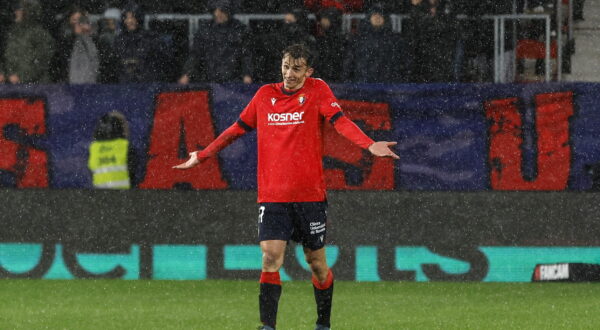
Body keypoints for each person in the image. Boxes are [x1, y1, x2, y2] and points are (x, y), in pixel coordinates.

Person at [174, 44, 399, 330]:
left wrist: (369, 144)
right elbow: (236, 129)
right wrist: (203, 154)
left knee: (316, 264)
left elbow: (341, 123)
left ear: (309, 71)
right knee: (270, 257)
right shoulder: (265, 95)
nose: (289, 74)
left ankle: (323, 324)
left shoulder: (318, 91)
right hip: (273, 195)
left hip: (309, 195)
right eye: (285, 66)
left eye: (296, 68)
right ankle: (267, 326)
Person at [178, 1, 253, 84]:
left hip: (233, 80)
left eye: (222, 11)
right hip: (209, 79)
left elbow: (246, 55)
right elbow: (195, 54)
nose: (218, 14)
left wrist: (247, 74)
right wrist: (186, 74)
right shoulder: (205, 29)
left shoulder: (239, 29)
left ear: (228, 12)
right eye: (216, 11)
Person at [342, 3, 406, 82]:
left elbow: (402, 62)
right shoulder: (358, 38)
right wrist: (347, 81)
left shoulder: (395, 39)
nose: (377, 17)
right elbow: (349, 62)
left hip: (388, 85)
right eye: (374, 14)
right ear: (369, 18)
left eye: (380, 15)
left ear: (385, 18)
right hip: (362, 85)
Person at [3, 0, 55, 84]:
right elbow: (7, 57)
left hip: (36, 87)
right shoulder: (13, 32)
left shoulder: (40, 34)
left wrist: (21, 76)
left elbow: (42, 61)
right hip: (12, 86)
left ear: (28, 12)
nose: (16, 12)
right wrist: (5, 73)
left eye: (19, 9)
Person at [88, 111, 138, 189]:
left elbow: (91, 171)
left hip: (99, 195)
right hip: (123, 194)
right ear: (120, 126)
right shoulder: (125, 146)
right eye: (124, 124)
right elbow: (133, 173)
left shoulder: (94, 148)